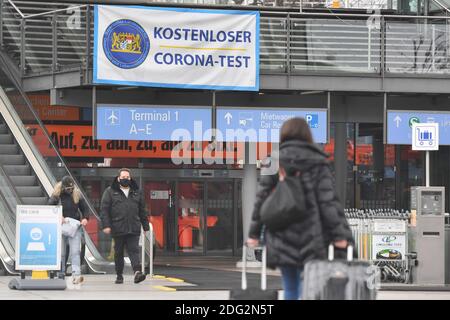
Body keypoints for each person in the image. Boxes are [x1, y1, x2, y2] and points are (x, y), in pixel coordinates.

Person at [247, 117, 354, 300]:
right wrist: (339, 236)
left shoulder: (273, 159)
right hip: (312, 235)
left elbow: (261, 199)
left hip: (281, 232)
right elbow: (328, 202)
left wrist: (254, 234)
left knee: (290, 287)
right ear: (307, 135)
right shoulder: (319, 162)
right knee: (309, 287)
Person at [100, 168, 149, 284]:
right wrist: (106, 225)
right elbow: (104, 210)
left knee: (134, 251)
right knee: (118, 253)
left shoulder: (137, 191)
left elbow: (142, 210)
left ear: (130, 178)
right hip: (118, 228)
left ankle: (137, 273)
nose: (125, 179)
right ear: (118, 178)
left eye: (127, 177)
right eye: (123, 177)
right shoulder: (110, 191)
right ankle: (119, 275)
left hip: (133, 227)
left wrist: (145, 226)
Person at [48, 175, 89, 285]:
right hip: (61, 227)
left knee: (75, 252)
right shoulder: (57, 195)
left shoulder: (76, 193)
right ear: (63, 187)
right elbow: (49, 207)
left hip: (74, 227)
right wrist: (58, 216)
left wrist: (85, 218)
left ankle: (76, 275)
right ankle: (60, 273)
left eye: (71, 188)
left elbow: (85, 208)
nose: (70, 190)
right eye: (68, 189)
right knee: (61, 252)